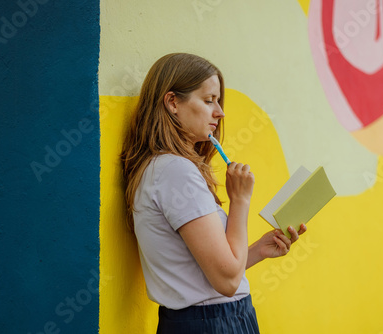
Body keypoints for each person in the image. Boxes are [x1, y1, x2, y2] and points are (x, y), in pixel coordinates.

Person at [120, 53, 307, 334]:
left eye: (218, 101)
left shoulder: (164, 168)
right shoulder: (174, 171)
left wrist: (257, 250)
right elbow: (227, 282)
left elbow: (209, 271)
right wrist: (240, 199)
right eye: (209, 101)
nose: (220, 112)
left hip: (210, 319)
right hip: (211, 323)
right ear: (172, 102)